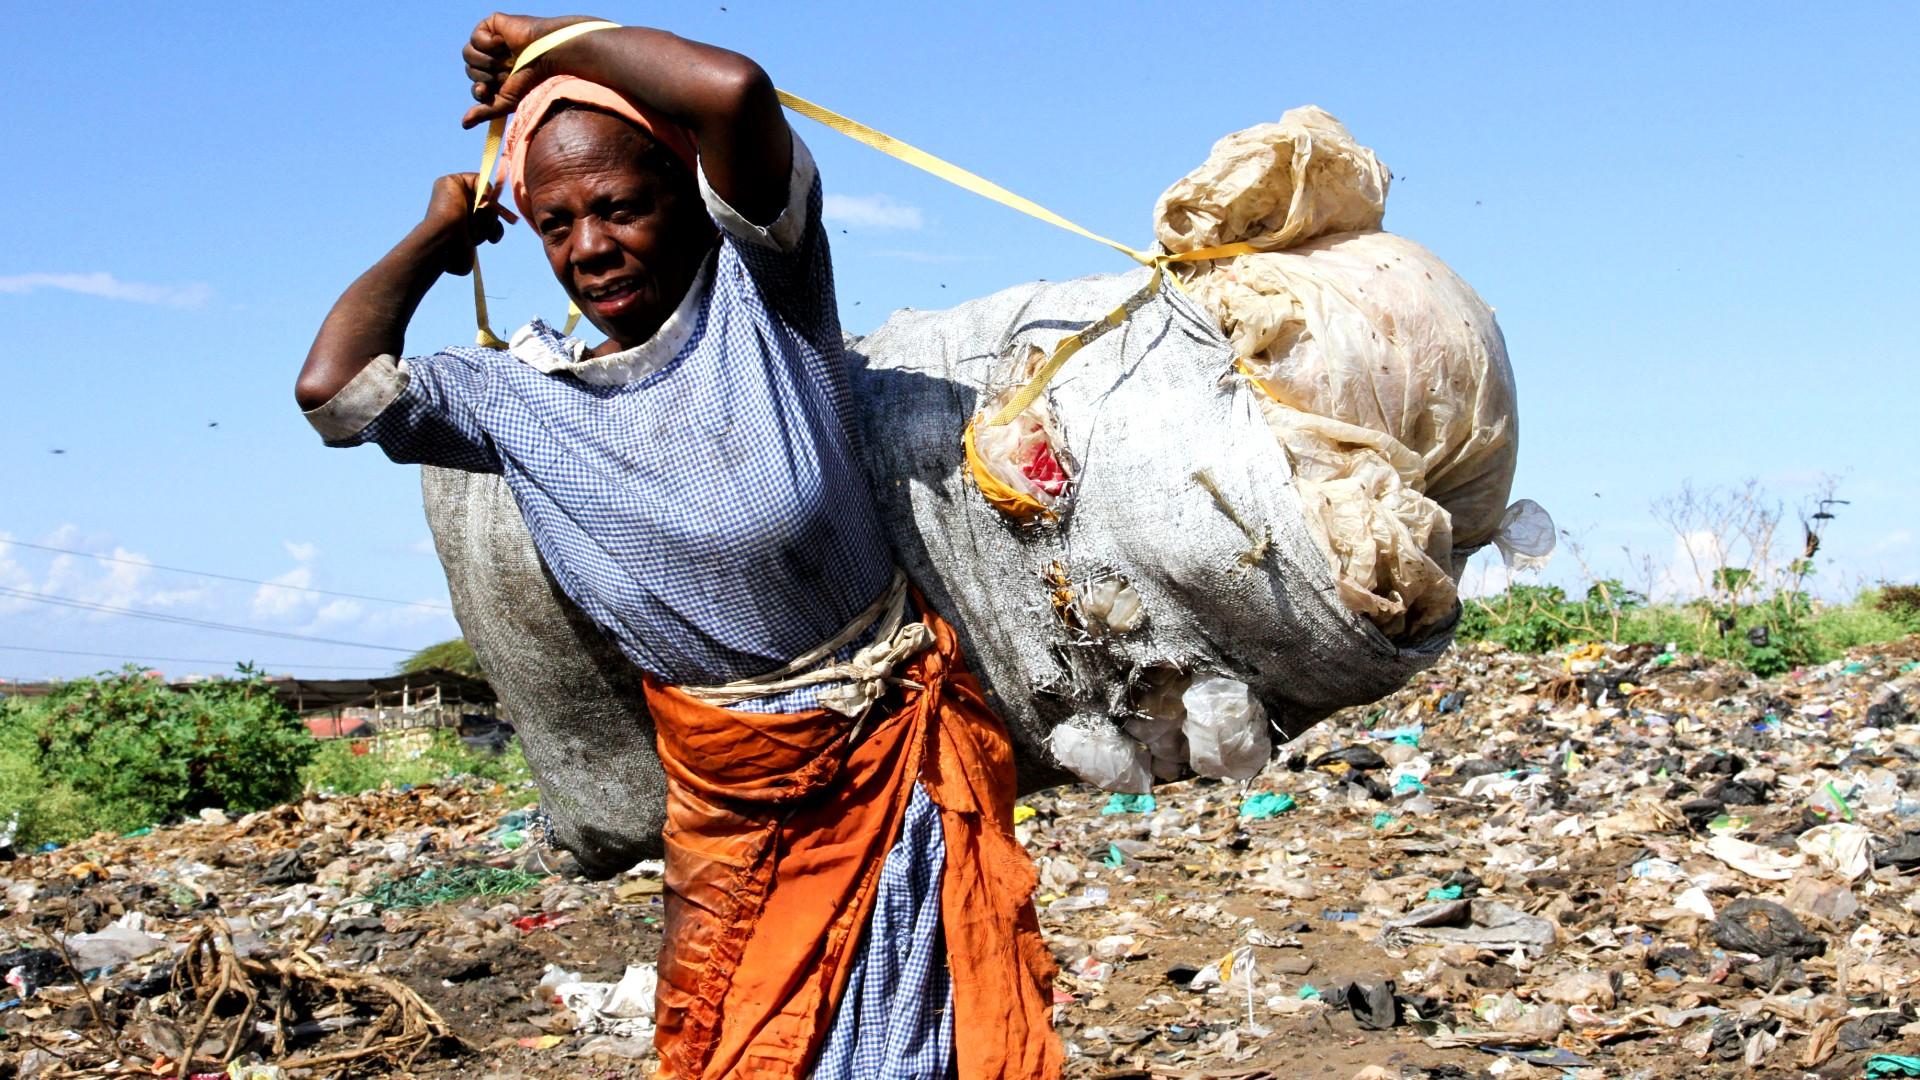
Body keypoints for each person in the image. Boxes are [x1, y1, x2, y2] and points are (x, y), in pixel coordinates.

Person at [294, 13, 1060, 1080]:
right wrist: (437, 234)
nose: (589, 247)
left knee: (911, 1044)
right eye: (554, 223)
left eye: (620, 206)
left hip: (886, 769)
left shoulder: (767, 303)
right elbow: (332, 394)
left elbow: (734, 92)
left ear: (691, 196)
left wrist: (556, 41)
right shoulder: (513, 401)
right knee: (746, 1048)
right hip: (729, 803)